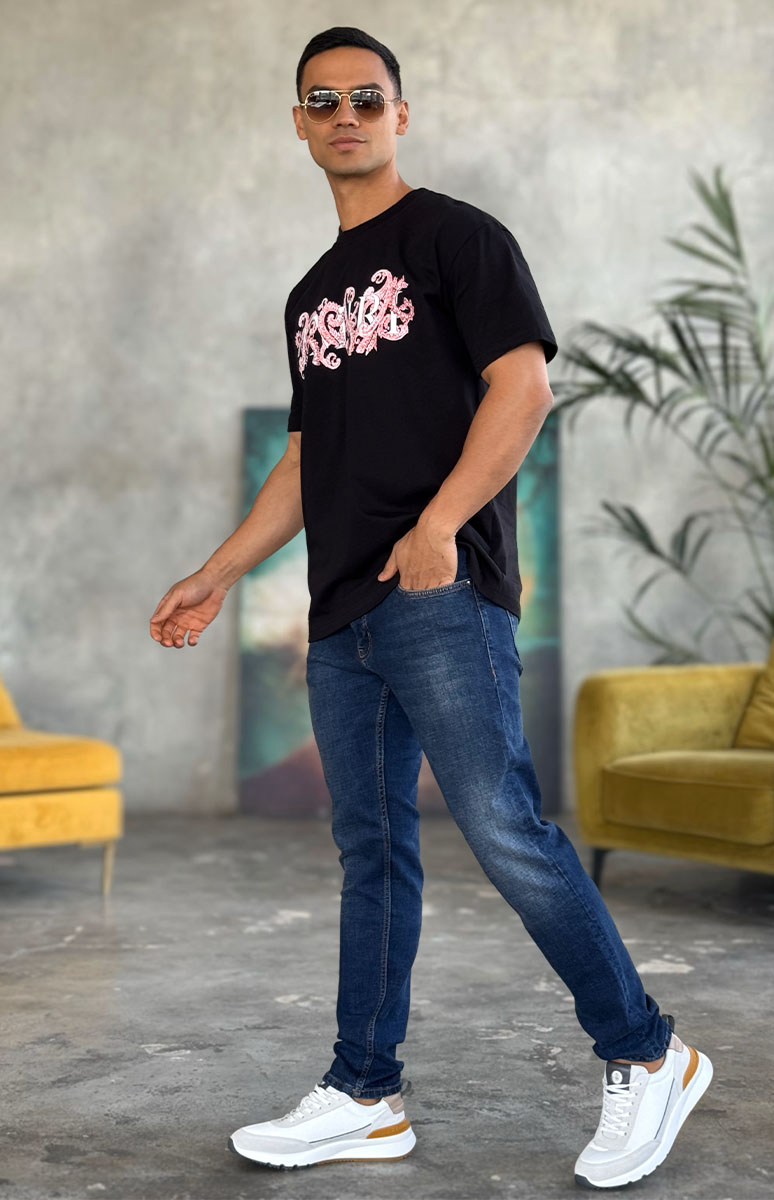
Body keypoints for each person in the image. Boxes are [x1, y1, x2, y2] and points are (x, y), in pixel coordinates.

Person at [148, 24, 713, 1190]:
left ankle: (647, 1052)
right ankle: (365, 1093)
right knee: (371, 851)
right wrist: (217, 571)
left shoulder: (459, 237)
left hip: (439, 592)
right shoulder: (310, 295)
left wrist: (437, 525)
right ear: (299, 125)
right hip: (340, 613)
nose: (345, 115)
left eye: (366, 96)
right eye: (322, 101)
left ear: (399, 115)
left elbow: (524, 388)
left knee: (503, 828)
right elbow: (305, 460)